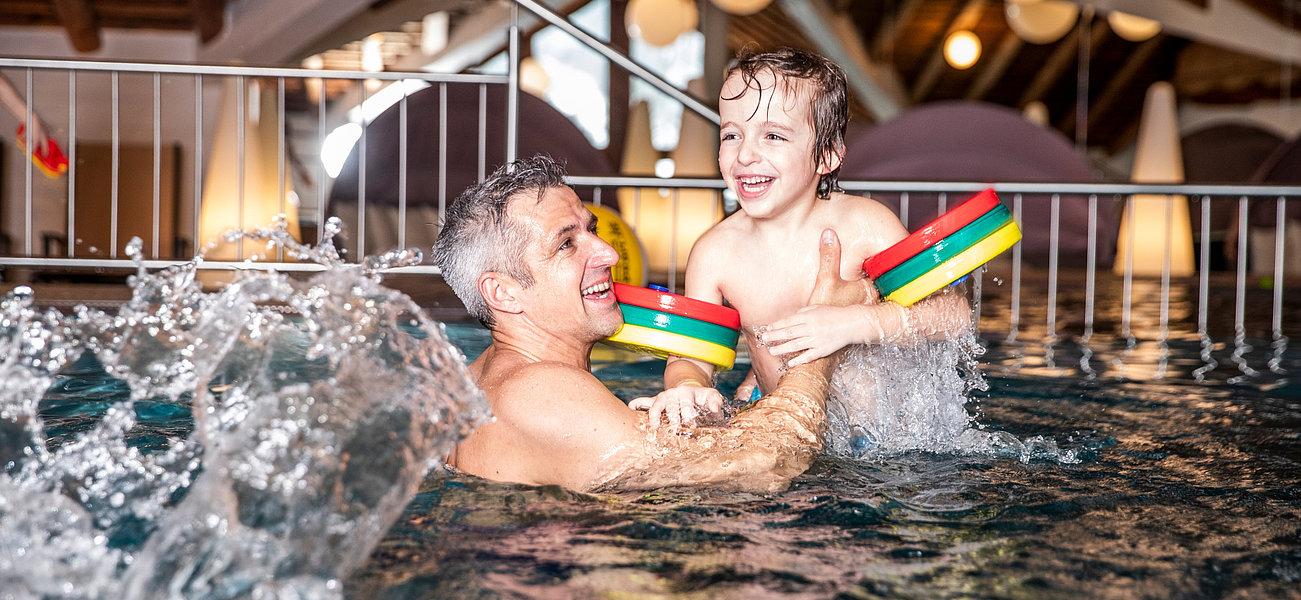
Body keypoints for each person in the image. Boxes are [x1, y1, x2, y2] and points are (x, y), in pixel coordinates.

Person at [432, 154, 865, 492]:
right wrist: (823, 331)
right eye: (566, 244)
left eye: (591, 230)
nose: (608, 254)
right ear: (502, 292)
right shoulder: (541, 394)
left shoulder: (477, 378)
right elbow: (764, 462)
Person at [638, 48, 971, 430]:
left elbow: (952, 314)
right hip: (783, 422)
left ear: (827, 155)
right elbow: (693, 355)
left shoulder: (864, 225)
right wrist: (687, 386)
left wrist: (853, 323)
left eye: (773, 135)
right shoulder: (716, 253)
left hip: (876, 441)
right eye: (731, 134)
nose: (745, 154)